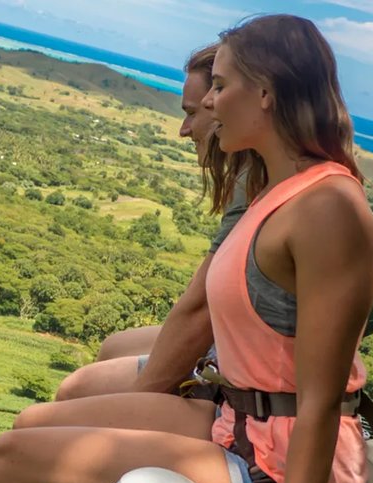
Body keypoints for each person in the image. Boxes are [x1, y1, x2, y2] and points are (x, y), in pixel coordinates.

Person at [0, 14, 373, 483]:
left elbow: (321, 399)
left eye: (221, 86)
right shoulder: (278, 189)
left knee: (11, 456)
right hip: (239, 430)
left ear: (265, 94)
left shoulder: (327, 208)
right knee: (33, 426)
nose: (209, 104)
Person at [55, 44, 247, 402]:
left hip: (236, 366)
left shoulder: (251, 186)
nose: (184, 129)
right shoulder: (249, 180)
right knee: (113, 347)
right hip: (231, 344)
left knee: (75, 390)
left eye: (192, 112)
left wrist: (135, 405)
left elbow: (200, 309)